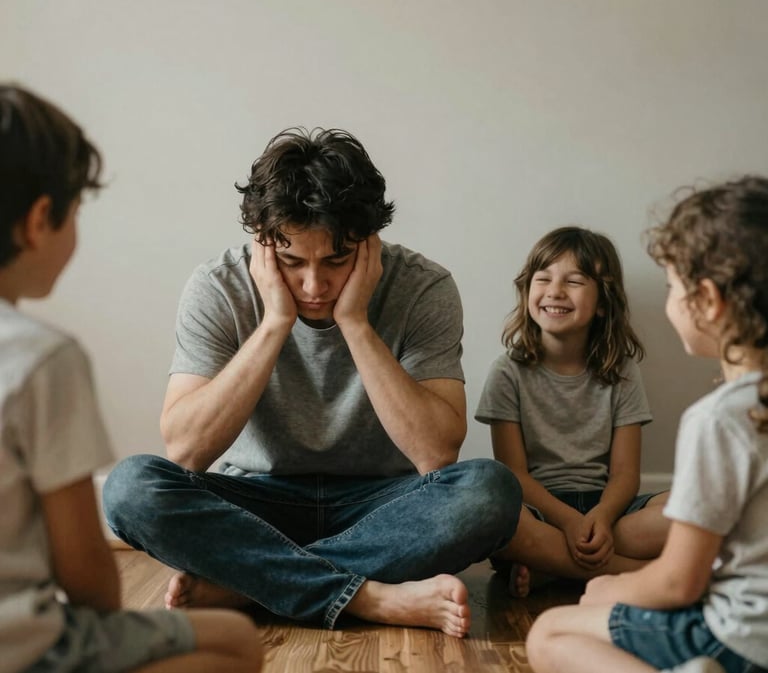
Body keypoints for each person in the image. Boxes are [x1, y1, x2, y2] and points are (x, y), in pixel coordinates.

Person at [103, 126, 521, 637]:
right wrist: (275, 321)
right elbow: (186, 449)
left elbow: (435, 455)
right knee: (130, 488)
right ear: (261, 240)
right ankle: (371, 598)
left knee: (490, 491)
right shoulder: (218, 286)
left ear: (369, 240)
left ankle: (250, 582)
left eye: (336, 261)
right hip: (257, 503)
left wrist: (357, 323)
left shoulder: (423, 285)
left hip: (384, 506)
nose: (313, 286)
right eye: (291, 262)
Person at [0, 84, 263, 673]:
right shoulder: (43, 359)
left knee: (225, 632)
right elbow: (89, 578)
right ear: (41, 219)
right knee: (239, 648)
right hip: (25, 648)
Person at [526, 176, 768, 673]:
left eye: (671, 287)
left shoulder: (721, 417)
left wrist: (611, 586)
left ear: (707, 300)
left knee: (550, 631)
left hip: (740, 639)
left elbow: (680, 584)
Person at [475, 227, 669, 597]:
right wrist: (567, 522)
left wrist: (601, 518)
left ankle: (554, 565)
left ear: (601, 303)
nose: (555, 291)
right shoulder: (507, 371)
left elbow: (626, 473)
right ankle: (642, 577)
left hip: (608, 508)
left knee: (685, 511)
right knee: (489, 517)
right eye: (543, 278)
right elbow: (514, 474)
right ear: (527, 291)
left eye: (574, 281)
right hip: (539, 510)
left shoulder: (622, 371)